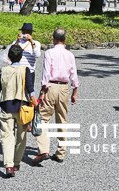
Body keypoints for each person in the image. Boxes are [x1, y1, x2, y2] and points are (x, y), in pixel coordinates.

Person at [32, 28, 80, 164]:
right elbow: (74, 74)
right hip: (64, 87)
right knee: (62, 119)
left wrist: (43, 89)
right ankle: (61, 152)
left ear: (53, 39)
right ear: (65, 40)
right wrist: (74, 92)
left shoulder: (49, 53)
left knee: (43, 118)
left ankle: (43, 150)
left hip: (50, 86)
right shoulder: (70, 55)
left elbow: (46, 72)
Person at [0, 43, 36, 177]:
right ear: (21, 56)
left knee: (6, 136)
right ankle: (16, 162)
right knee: (21, 137)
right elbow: (30, 89)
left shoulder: (3, 70)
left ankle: (8, 165)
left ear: (9, 57)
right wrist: (35, 103)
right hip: (22, 107)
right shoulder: (25, 69)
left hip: (6, 106)